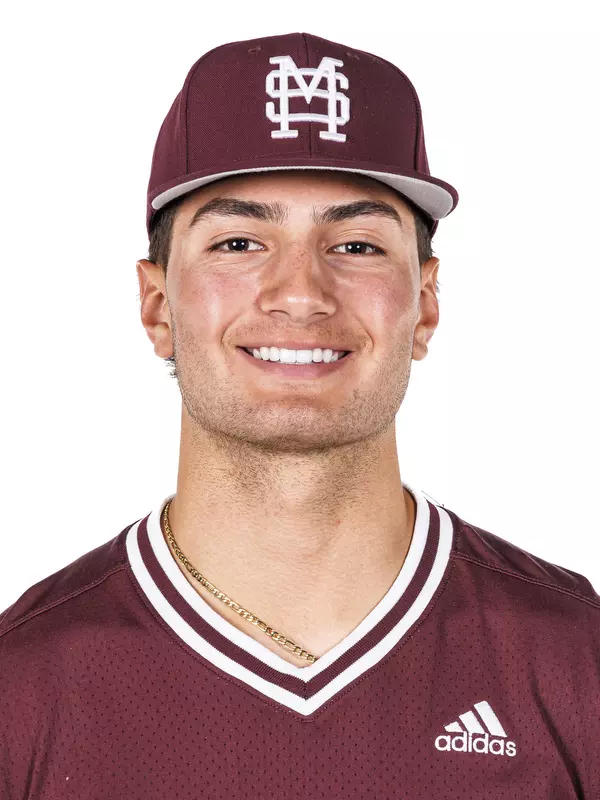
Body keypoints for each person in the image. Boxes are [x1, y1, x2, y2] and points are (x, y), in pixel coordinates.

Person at [1, 31, 598, 799]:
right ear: (156, 305)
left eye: (354, 245)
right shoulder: (24, 686)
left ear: (426, 305)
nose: (301, 293)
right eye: (240, 241)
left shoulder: (575, 662)